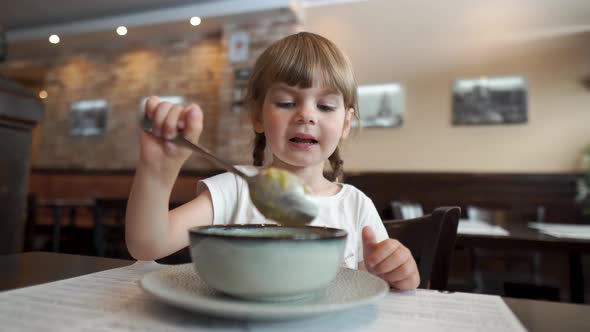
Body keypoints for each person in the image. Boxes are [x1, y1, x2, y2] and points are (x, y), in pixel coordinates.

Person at [126, 32, 419, 290]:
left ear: (346, 123)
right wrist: (157, 171)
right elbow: (147, 244)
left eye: (326, 106)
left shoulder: (356, 206)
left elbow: (375, 284)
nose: (306, 115)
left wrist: (400, 274)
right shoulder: (236, 189)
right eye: (287, 102)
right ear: (257, 116)